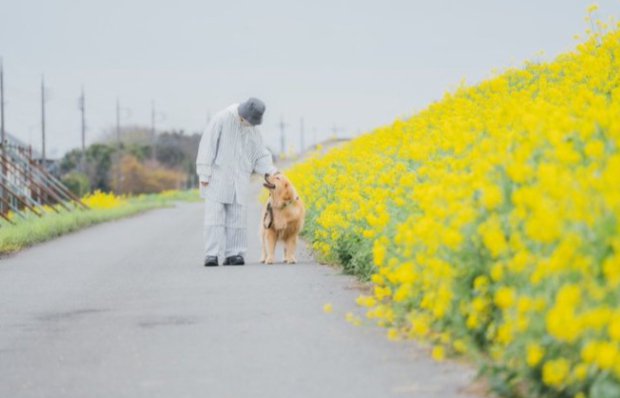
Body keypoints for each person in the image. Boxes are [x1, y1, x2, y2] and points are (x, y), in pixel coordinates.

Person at [196, 97, 277, 266]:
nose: (249, 123)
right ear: (243, 114)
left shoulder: (253, 129)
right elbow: (207, 146)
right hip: (216, 177)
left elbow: (260, 153)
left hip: (240, 178)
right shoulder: (221, 119)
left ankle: (235, 254)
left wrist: (271, 172)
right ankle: (212, 254)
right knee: (214, 218)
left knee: (238, 217)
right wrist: (204, 173)